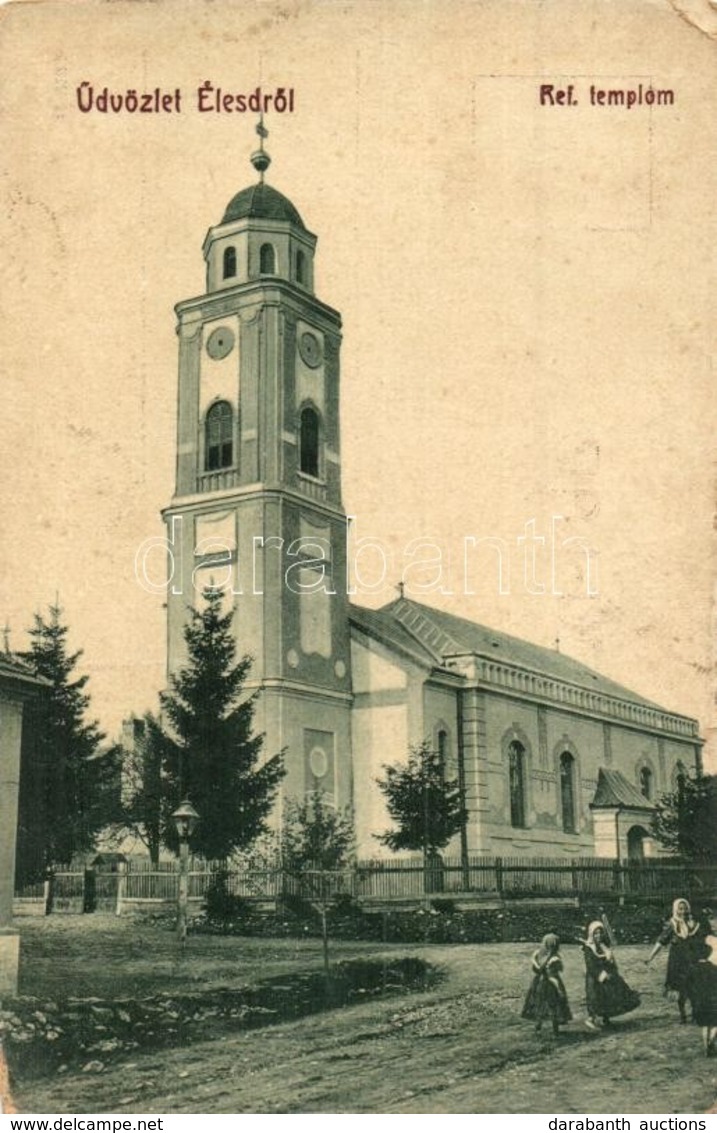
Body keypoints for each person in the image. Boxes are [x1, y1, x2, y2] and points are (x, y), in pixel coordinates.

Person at [646, 898, 710, 1023]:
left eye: (685, 908)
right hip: (677, 962)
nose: (683, 911)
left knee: (694, 987)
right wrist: (651, 956)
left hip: (692, 960)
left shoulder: (694, 924)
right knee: (680, 988)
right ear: (676, 910)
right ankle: (683, 1015)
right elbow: (661, 941)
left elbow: (704, 939)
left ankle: (695, 1013)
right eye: (680, 909)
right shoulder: (672, 924)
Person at [580, 920, 640, 1030]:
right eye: (595, 933)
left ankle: (606, 1019)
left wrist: (612, 969)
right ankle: (591, 1019)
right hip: (595, 977)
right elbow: (590, 965)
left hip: (608, 974)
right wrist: (601, 974)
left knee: (608, 996)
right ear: (591, 934)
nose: (598, 936)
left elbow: (611, 961)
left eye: (600, 933)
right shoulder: (589, 948)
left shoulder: (604, 946)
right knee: (595, 997)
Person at [521, 932, 572, 1036]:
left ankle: (538, 1025)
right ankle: (555, 1029)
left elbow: (536, 967)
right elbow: (551, 976)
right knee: (554, 1006)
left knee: (540, 1004)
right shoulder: (554, 959)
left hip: (538, 982)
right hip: (550, 985)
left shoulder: (538, 955)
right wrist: (559, 989)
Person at [686, 934, 717, 1056]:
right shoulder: (714, 968)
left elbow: (688, 985)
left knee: (705, 1025)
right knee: (715, 1024)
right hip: (714, 999)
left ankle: (705, 1046)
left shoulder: (693, 968)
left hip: (700, 1001)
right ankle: (711, 1043)